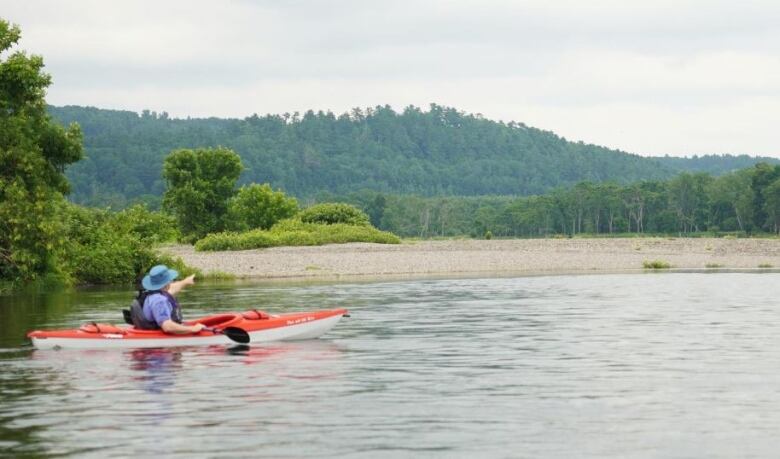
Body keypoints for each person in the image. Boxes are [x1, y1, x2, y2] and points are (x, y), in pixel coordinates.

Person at [132, 264, 205, 334]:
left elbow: (173, 289)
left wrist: (186, 281)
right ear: (167, 283)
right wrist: (193, 329)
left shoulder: (152, 294)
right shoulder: (159, 301)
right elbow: (167, 327)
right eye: (170, 280)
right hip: (161, 338)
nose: (172, 281)